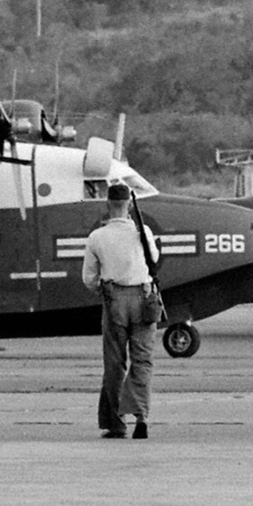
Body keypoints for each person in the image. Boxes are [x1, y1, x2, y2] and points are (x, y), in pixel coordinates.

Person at [80, 183, 161, 439]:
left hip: (113, 299)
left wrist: (104, 291)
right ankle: (141, 417)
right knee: (143, 360)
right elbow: (155, 260)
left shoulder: (97, 237)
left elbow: (88, 278)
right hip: (145, 299)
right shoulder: (142, 232)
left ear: (108, 204)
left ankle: (116, 423)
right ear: (129, 205)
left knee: (114, 363)